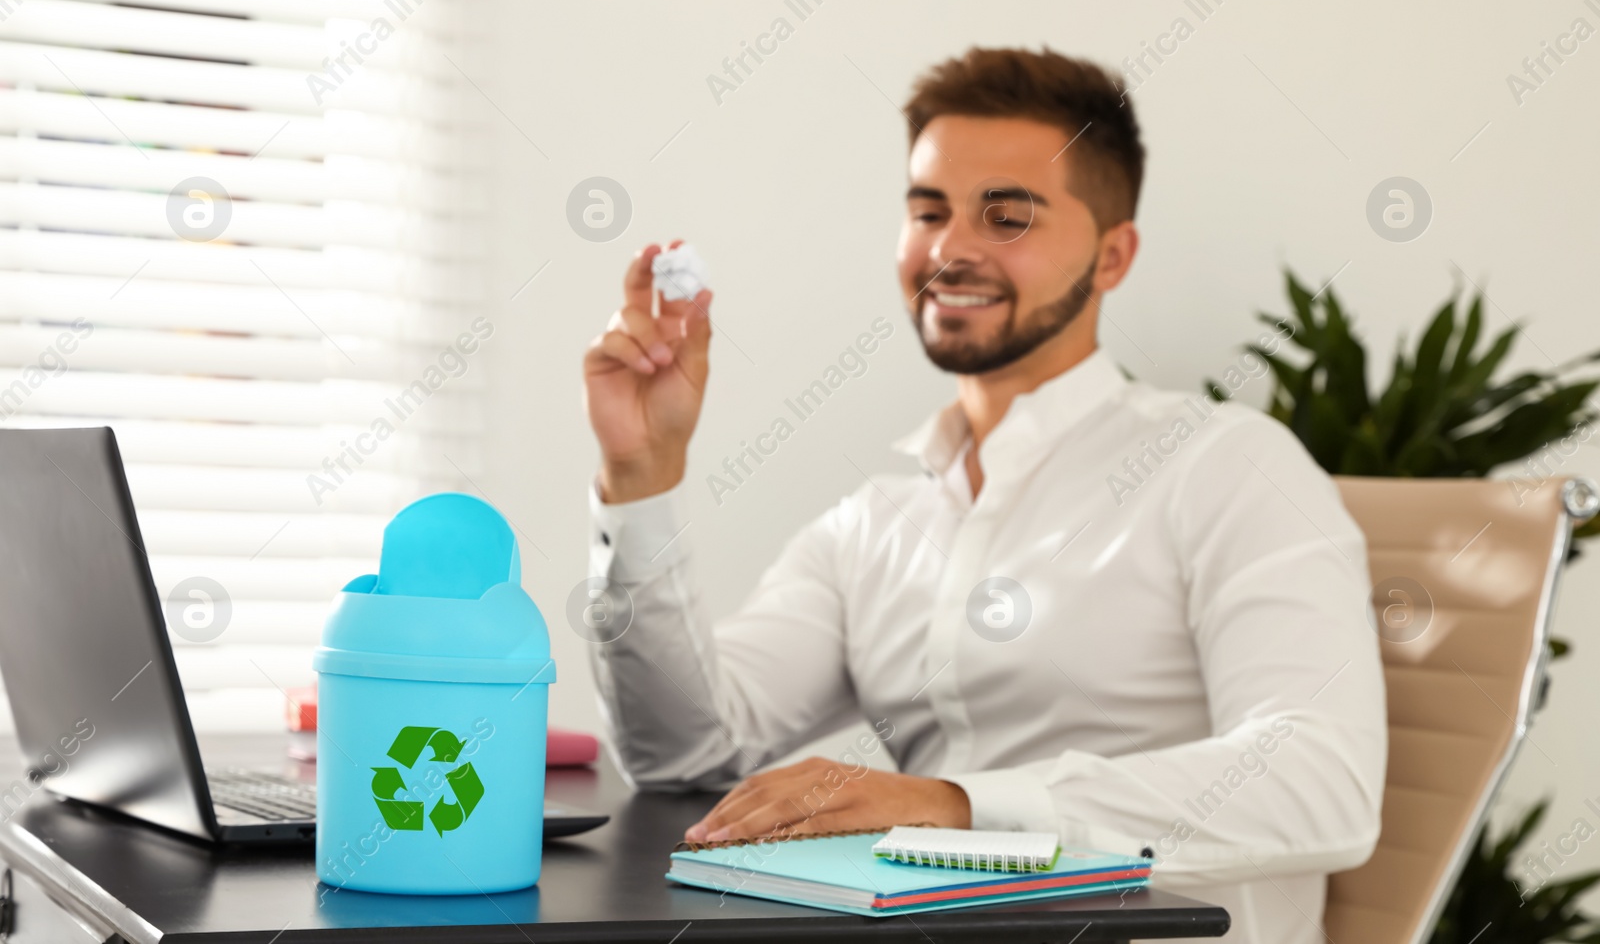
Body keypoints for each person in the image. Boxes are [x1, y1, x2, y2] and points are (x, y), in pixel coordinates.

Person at [580, 46, 1385, 943]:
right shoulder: (875, 525)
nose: (950, 247)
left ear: (1112, 255)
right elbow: (682, 752)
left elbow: (1324, 785)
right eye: (928, 210)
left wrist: (954, 806)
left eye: (1008, 214)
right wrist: (640, 478)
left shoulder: (1229, 466)